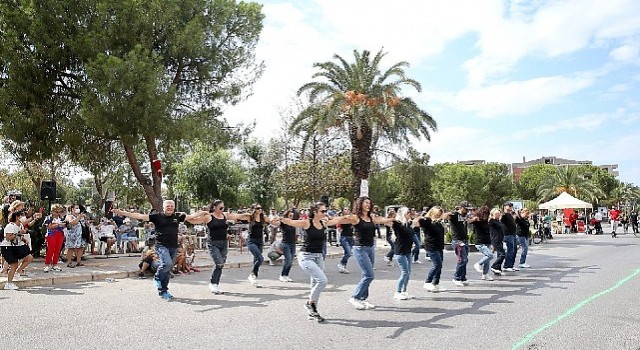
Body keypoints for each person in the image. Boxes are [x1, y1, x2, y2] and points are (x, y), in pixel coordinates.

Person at [112, 200, 208, 300]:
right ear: (163, 207)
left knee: (168, 269)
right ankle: (157, 277)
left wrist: (202, 213)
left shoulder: (178, 216)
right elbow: (140, 216)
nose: (170, 208)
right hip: (161, 246)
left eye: (171, 206)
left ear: (174, 207)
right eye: (168, 206)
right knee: (167, 264)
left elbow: (191, 216)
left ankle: (163, 290)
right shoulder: (157, 216)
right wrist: (123, 213)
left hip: (173, 246)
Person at [277, 202, 344, 322]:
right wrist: (281, 218)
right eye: (322, 211)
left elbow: (338, 220)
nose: (325, 213)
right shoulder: (307, 222)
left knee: (315, 285)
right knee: (322, 280)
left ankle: (312, 311)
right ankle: (309, 304)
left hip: (319, 257)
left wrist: (350, 217)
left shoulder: (324, 222)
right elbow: (292, 222)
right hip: (306, 256)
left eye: (326, 211)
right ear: (315, 212)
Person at [336, 196, 395, 310]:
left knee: (365, 274)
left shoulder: (372, 217)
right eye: (366, 203)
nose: (368, 204)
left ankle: (363, 298)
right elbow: (341, 219)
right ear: (360, 204)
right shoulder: (355, 218)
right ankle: (355, 297)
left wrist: (394, 219)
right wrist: (326, 220)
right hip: (360, 248)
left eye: (369, 203)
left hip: (370, 248)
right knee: (369, 275)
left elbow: (383, 220)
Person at [187, 199, 251, 294]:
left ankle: (215, 284)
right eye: (221, 207)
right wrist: (200, 213)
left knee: (220, 265)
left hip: (224, 243)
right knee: (219, 263)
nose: (223, 209)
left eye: (223, 207)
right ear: (214, 208)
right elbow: (192, 221)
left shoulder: (225, 215)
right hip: (213, 243)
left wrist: (249, 214)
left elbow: (237, 216)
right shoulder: (208, 217)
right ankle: (213, 284)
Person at [386, 207, 414, 300]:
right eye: (407, 212)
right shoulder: (397, 224)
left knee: (408, 272)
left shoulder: (408, 224)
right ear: (402, 214)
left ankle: (404, 291)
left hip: (408, 251)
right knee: (405, 272)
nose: (409, 214)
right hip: (400, 251)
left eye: (409, 212)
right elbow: (387, 221)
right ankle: (397, 292)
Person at [1, 212, 35, 289]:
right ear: (17, 217)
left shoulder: (20, 225)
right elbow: (8, 237)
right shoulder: (10, 226)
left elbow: (19, 235)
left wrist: (23, 238)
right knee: (13, 265)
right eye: (22, 216)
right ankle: (9, 284)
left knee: (29, 257)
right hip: (7, 247)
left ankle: (18, 271)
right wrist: (19, 233)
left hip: (16, 247)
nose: (24, 217)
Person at [448, 201, 476, 286]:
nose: (467, 211)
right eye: (466, 209)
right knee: (462, 260)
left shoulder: (463, 216)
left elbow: (467, 221)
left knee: (465, 259)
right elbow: (446, 216)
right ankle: (456, 278)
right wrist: (449, 213)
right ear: (461, 208)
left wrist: (472, 219)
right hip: (458, 241)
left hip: (464, 240)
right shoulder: (454, 215)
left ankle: (462, 278)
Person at [419, 206, 446, 292]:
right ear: (432, 214)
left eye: (440, 215)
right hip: (431, 246)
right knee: (437, 265)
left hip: (439, 246)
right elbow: (420, 221)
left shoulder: (438, 222)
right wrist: (425, 217)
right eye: (437, 215)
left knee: (439, 265)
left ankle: (435, 284)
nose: (439, 216)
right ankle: (428, 282)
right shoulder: (428, 221)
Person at [273, 209, 298, 282]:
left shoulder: (293, 223)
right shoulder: (283, 223)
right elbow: (275, 224)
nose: (291, 216)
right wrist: (278, 218)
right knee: (288, 259)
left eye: (292, 215)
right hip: (285, 243)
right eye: (290, 215)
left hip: (292, 243)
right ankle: (282, 275)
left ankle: (286, 275)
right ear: (287, 215)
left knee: (291, 260)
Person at [470, 206, 494, 281]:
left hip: (487, 241)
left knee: (487, 259)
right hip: (480, 242)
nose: (486, 216)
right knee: (490, 255)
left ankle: (485, 274)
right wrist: (473, 219)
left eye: (487, 214)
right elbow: (468, 221)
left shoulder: (487, 221)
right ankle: (478, 264)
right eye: (485, 214)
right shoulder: (477, 220)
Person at [43, 204, 66, 272]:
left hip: (60, 234)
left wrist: (64, 225)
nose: (58, 213)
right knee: (50, 250)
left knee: (57, 250)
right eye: (56, 211)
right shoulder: (49, 218)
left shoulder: (61, 218)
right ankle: (47, 265)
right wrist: (58, 224)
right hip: (52, 234)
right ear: (52, 211)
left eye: (59, 211)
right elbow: (49, 227)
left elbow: (64, 226)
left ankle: (54, 264)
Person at [64, 204, 88, 268]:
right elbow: (72, 223)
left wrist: (85, 219)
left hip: (80, 235)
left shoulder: (81, 216)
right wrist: (79, 217)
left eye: (78, 208)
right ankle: (69, 262)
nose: (78, 209)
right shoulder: (69, 216)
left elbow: (87, 225)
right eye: (76, 208)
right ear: (72, 209)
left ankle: (79, 261)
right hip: (72, 235)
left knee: (81, 248)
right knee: (71, 248)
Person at [501, 203, 519, 272]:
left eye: (511, 206)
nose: (511, 207)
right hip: (508, 234)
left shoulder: (510, 215)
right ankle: (506, 265)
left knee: (514, 250)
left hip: (513, 234)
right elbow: (500, 219)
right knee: (510, 250)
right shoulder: (504, 215)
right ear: (505, 207)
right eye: (509, 206)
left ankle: (511, 265)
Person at [337, 208, 354, 274]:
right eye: (345, 209)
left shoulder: (351, 218)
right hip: (344, 237)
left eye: (348, 209)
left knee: (347, 253)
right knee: (349, 252)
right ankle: (341, 263)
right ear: (343, 211)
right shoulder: (342, 218)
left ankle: (343, 267)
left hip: (351, 237)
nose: (347, 210)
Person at [489, 208, 505, 275]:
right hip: (495, 239)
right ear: (493, 214)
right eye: (496, 214)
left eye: (499, 214)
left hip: (500, 239)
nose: (498, 215)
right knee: (502, 254)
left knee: (499, 254)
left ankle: (498, 269)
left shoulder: (498, 221)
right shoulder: (492, 221)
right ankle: (494, 266)